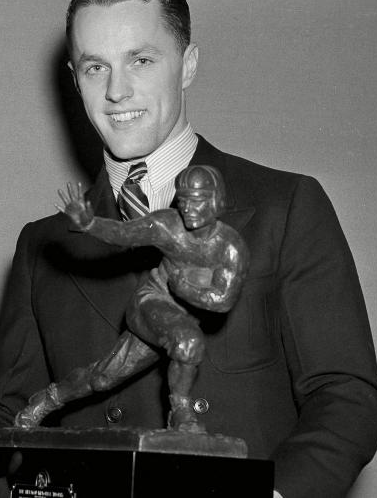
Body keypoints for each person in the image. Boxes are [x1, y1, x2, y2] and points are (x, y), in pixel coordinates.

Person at [0, 0, 377, 498]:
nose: (117, 91)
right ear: (75, 79)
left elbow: (347, 395)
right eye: (94, 67)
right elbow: (3, 407)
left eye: (141, 60)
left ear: (188, 64)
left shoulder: (285, 207)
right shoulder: (43, 245)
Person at [14, 165, 250, 434]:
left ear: (216, 200)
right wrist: (91, 224)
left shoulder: (231, 248)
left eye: (197, 200)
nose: (188, 208)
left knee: (104, 378)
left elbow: (223, 300)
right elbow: (126, 233)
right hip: (151, 302)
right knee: (189, 342)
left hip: (177, 320)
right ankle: (181, 412)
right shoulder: (168, 225)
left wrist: (184, 289)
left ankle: (47, 399)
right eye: (183, 200)